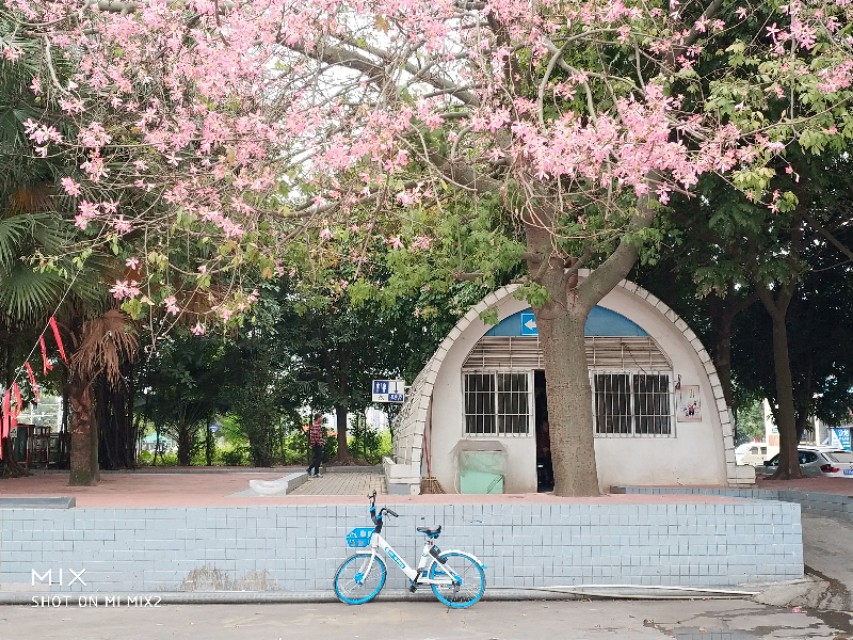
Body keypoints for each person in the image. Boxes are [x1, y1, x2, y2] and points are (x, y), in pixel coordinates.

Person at [306, 413, 325, 478]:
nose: (322, 419)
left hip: (318, 444)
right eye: (321, 417)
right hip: (316, 444)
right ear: (318, 418)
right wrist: (316, 443)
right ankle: (310, 469)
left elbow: (318, 436)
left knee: (317, 458)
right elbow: (314, 436)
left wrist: (322, 442)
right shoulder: (315, 426)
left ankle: (315, 472)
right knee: (319, 458)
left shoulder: (318, 425)